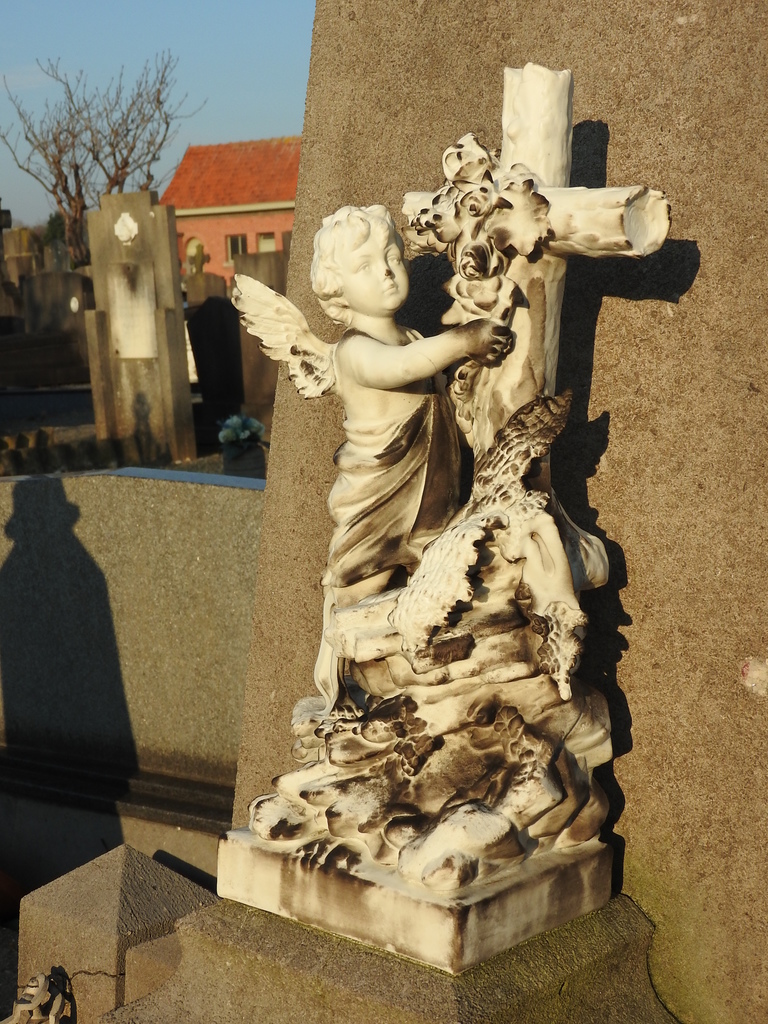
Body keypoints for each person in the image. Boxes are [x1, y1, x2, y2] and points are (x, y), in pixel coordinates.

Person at [307, 204, 508, 708]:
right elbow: (399, 367)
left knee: (435, 580)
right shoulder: (354, 350)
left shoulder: (415, 337)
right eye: (365, 265)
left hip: (431, 487)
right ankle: (351, 682)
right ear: (337, 290)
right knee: (363, 585)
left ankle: (418, 667)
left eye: (392, 256)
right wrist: (464, 339)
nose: (386, 270)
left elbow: (432, 383)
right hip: (379, 494)